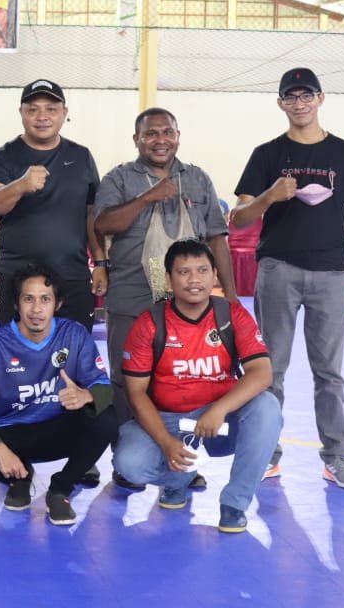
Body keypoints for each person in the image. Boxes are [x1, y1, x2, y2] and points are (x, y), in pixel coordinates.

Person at [230, 67, 344, 489]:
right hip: (279, 271)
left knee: (329, 373)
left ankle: (336, 457)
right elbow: (238, 219)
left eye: (306, 95)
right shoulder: (266, 154)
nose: (299, 103)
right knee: (268, 369)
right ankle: (266, 453)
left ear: (320, 99)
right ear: (280, 104)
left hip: (332, 273)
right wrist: (269, 196)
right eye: (290, 97)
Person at [93, 107, 235, 491]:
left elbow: (217, 238)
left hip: (190, 304)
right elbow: (103, 224)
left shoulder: (197, 179)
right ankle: (126, 458)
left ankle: (182, 458)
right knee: (126, 381)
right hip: (133, 295)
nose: (160, 140)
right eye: (151, 133)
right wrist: (148, 197)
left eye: (167, 132)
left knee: (183, 377)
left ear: (178, 136)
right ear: (137, 139)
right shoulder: (120, 178)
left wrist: (230, 294)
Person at [113, 239, 282, 533]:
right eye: (184, 272)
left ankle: (234, 504)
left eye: (202, 270)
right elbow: (136, 393)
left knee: (268, 407)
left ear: (215, 275)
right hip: (168, 421)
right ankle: (178, 478)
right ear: (168, 279)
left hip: (220, 422)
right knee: (129, 464)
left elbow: (262, 373)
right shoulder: (149, 323)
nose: (194, 280)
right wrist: (166, 443)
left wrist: (219, 410)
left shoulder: (231, 315)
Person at [0, 264, 118, 527]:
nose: (36, 309)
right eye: (28, 299)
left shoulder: (73, 334)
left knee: (107, 419)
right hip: (14, 430)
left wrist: (87, 395)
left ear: (58, 303)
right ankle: (19, 476)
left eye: (45, 299)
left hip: (59, 427)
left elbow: (104, 387)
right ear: (16, 304)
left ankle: (61, 489)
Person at [0, 79, 107, 329]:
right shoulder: (3, 156)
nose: (42, 117)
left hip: (72, 275)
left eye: (51, 109)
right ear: (21, 113)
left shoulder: (81, 156)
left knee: (74, 348)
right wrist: (20, 185)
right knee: (18, 351)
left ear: (64, 113)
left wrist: (101, 263)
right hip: (19, 278)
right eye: (33, 109)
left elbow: (92, 215)